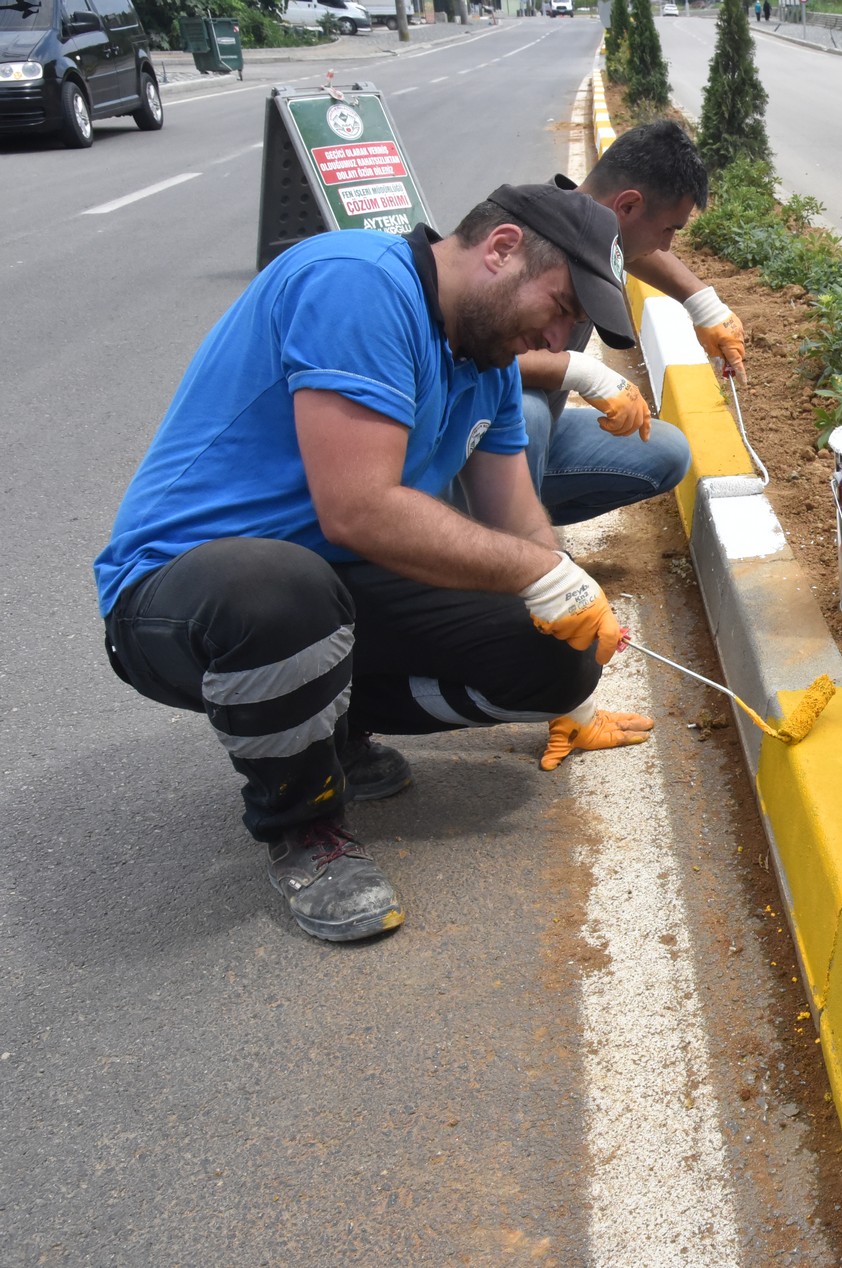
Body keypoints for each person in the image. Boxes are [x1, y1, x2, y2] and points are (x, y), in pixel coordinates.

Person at [95, 184, 649, 943]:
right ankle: (305, 829)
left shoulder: (485, 363)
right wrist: (534, 574)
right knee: (282, 590)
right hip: (185, 597)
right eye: (560, 309)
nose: (558, 342)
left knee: (557, 658)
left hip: (331, 583)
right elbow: (357, 510)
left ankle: (331, 730)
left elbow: (520, 525)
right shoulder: (357, 281)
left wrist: (570, 615)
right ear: (502, 248)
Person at [505, 120, 747, 771]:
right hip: (477, 457)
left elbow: (633, 251)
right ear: (629, 206)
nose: (669, 243)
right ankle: (509, 575)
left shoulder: (588, 220)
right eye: (670, 227)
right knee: (523, 412)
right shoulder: (523, 250)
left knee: (663, 452)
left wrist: (704, 304)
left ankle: (524, 530)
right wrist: (587, 374)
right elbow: (474, 357)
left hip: (539, 443)